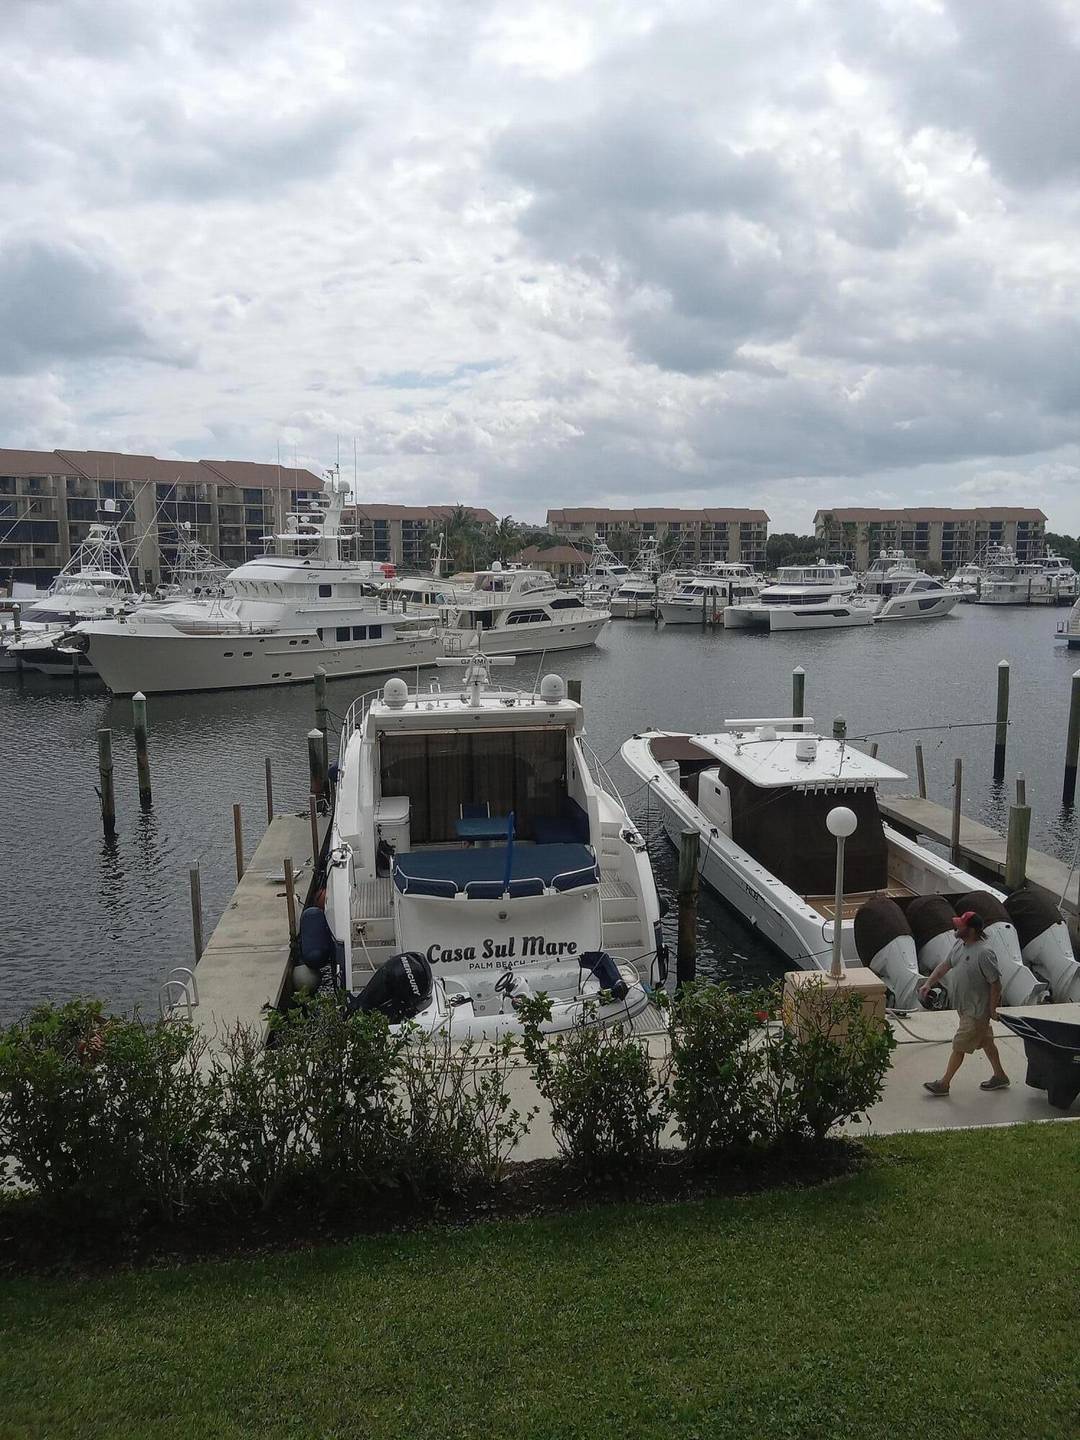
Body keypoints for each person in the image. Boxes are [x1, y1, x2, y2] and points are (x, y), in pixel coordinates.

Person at [919, 909, 1010, 1096]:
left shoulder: (984, 953)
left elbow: (996, 983)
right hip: (964, 1007)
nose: (956, 927)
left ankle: (944, 1084)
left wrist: (992, 1009)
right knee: (987, 1042)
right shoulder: (959, 945)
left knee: (959, 1045)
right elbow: (946, 965)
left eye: (960, 925)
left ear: (972, 930)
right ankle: (1000, 1076)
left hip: (977, 1011)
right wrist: (928, 983)